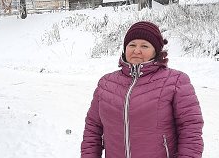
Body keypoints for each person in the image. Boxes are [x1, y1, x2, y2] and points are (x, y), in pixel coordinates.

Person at [81, 21, 204, 158]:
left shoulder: (176, 81)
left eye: (144, 46)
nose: (136, 50)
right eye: (132, 45)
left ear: (156, 51)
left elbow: (190, 129)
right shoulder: (106, 83)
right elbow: (92, 129)